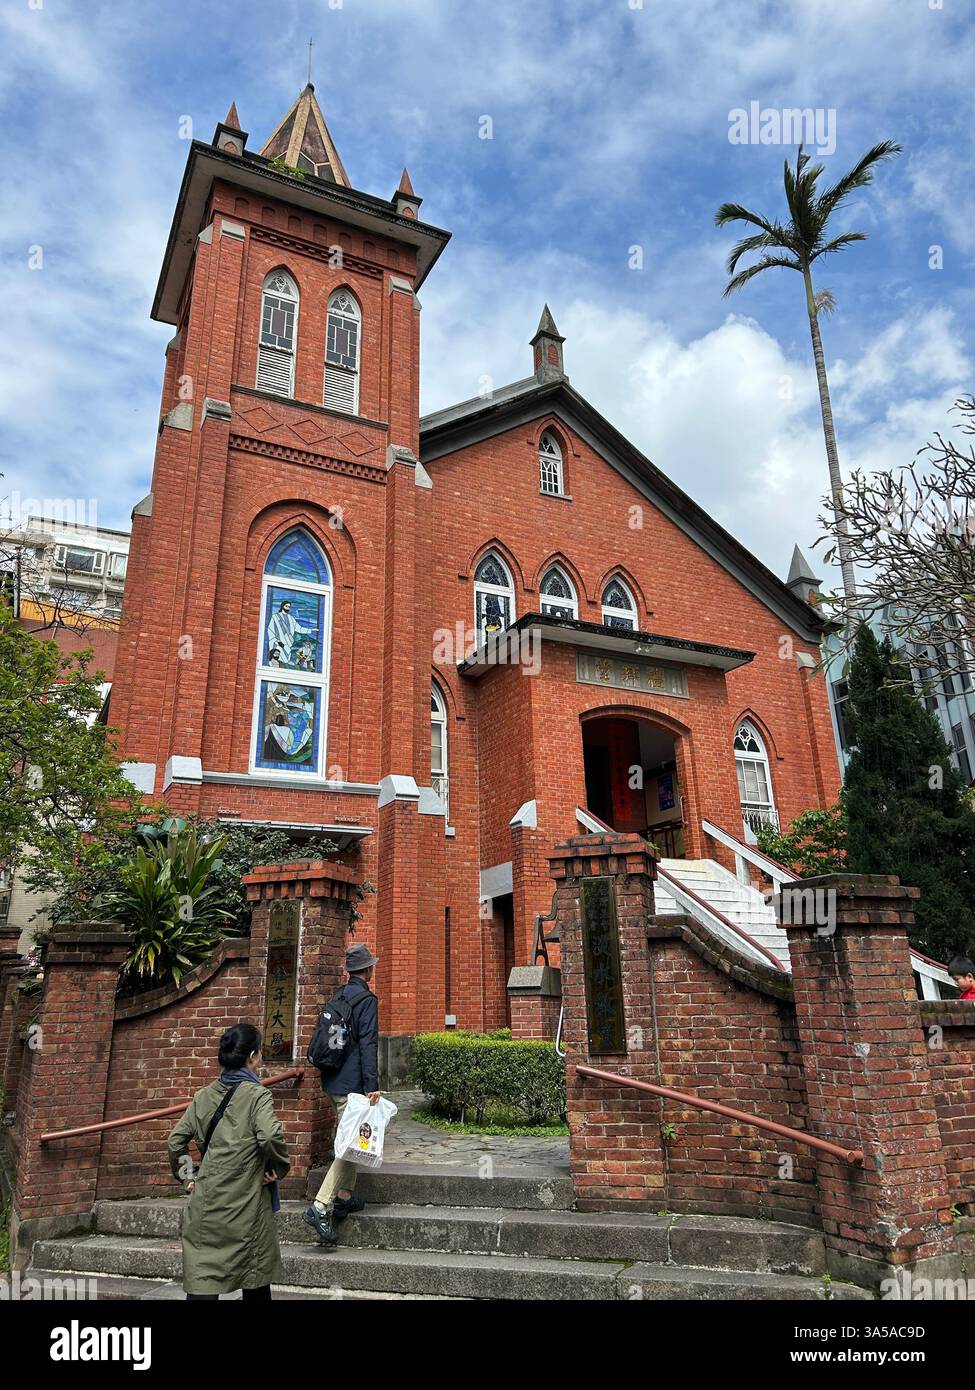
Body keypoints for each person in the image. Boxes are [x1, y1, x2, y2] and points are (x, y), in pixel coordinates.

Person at [167, 1022, 290, 1301]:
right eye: (259, 1055)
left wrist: (188, 1176)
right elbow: (270, 1136)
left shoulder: (203, 1096)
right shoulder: (258, 1095)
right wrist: (278, 1168)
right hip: (248, 1206)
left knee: (203, 1282)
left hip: (207, 1204)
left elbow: (175, 1141)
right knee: (255, 1277)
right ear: (252, 1057)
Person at [304, 944, 381, 1246]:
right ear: (368, 970)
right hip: (352, 1086)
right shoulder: (366, 1000)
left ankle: (345, 1196)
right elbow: (368, 1044)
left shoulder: (339, 995)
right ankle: (321, 1206)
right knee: (349, 1145)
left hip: (331, 1079)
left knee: (349, 1140)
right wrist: (372, 1084)